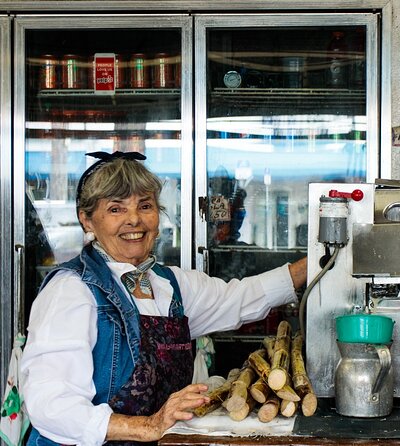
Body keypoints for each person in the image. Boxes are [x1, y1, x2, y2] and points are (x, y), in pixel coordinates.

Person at [20, 151, 308, 446]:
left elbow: (243, 297)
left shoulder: (171, 284)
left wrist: (315, 265)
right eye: (116, 209)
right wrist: (148, 426)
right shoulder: (71, 290)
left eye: (145, 206)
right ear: (87, 220)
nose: (134, 220)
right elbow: (50, 404)